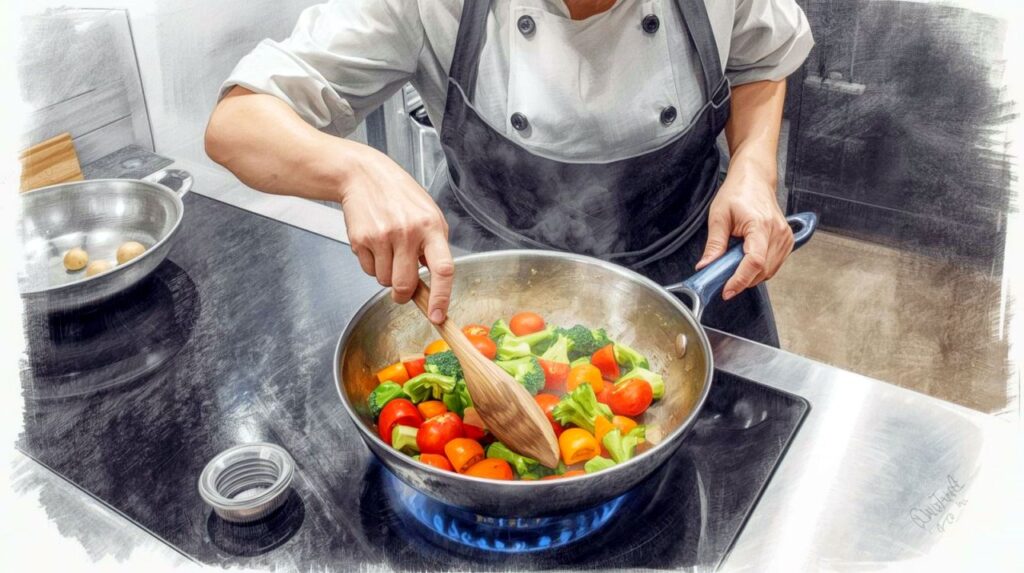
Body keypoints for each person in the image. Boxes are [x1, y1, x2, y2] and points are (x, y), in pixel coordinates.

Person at [206, 0, 813, 346]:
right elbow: (238, 123)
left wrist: (754, 170)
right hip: (492, 286)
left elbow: (760, 56)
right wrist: (353, 169)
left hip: (700, 276)